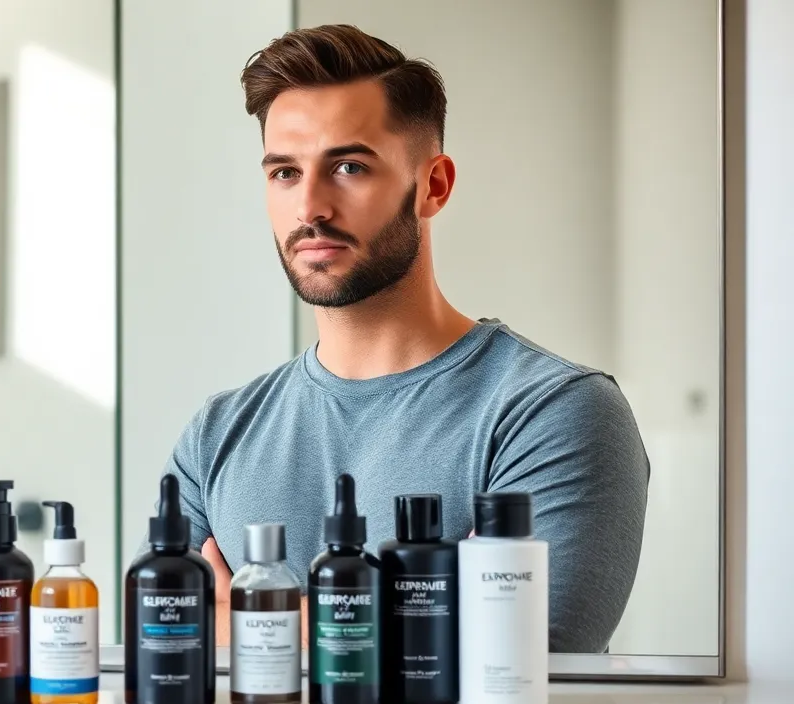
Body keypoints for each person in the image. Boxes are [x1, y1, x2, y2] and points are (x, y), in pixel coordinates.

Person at [158, 24, 649, 654]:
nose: (310, 206)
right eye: (284, 172)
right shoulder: (217, 434)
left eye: (350, 166)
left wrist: (254, 625)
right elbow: (165, 642)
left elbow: (535, 655)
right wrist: (421, 625)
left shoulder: (553, 412)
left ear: (434, 186)